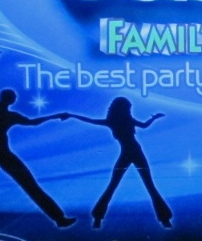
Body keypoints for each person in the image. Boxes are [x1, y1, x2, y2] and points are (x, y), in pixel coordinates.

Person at [0, 51, 74, 231]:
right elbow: (33, 122)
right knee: (27, 185)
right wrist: (55, 115)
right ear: (11, 100)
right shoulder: (1, 111)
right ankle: (59, 218)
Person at [58, 97, 172, 228]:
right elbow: (144, 125)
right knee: (142, 185)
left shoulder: (115, 121)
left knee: (118, 185)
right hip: (133, 153)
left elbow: (91, 120)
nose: (129, 110)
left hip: (132, 153)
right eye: (128, 108)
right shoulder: (122, 120)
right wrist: (72, 115)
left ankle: (98, 219)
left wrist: (154, 118)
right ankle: (164, 219)